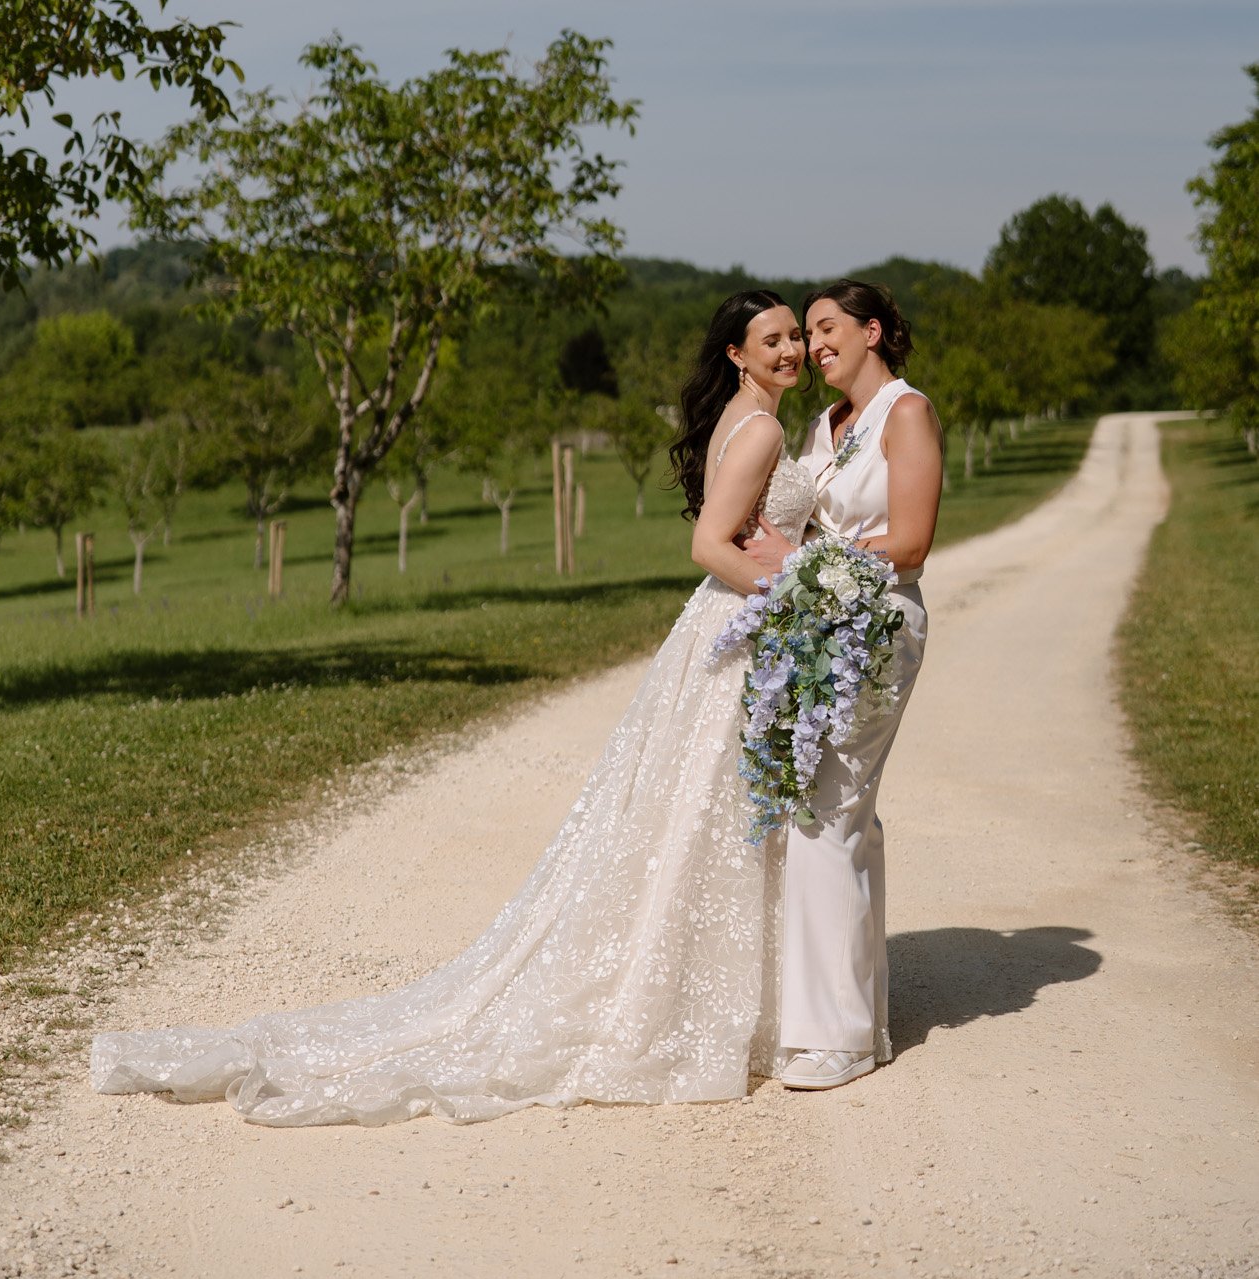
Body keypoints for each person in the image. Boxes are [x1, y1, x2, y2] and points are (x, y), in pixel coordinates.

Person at [90, 291, 817, 1128]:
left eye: (795, 335)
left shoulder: (744, 418)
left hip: (722, 626)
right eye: (773, 339)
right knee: (712, 813)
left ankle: (718, 991)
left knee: (704, 816)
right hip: (739, 624)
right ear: (735, 352)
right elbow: (708, 546)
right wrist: (796, 588)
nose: (790, 348)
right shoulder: (757, 428)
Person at [742, 278, 943, 1091]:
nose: (813, 344)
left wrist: (809, 566)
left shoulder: (907, 413)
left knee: (829, 806)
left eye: (826, 329)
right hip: (815, 625)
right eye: (806, 332)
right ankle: (850, 1016)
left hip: (880, 622)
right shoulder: (825, 425)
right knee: (828, 810)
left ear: (872, 331)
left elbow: (914, 539)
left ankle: (839, 1036)